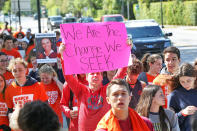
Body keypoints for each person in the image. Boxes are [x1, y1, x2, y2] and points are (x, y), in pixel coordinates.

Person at [4, 58, 48, 130]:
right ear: (12, 72)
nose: (17, 73)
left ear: (26, 70)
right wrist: (11, 117)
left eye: (20, 70)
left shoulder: (38, 86)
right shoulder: (9, 89)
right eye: (14, 71)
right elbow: (10, 110)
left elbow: (45, 108)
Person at [167, 63, 197, 131]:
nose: (185, 84)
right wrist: (182, 113)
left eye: (188, 81)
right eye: (182, 81)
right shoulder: (174, 95)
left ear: (195, 77)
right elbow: (169, 121)